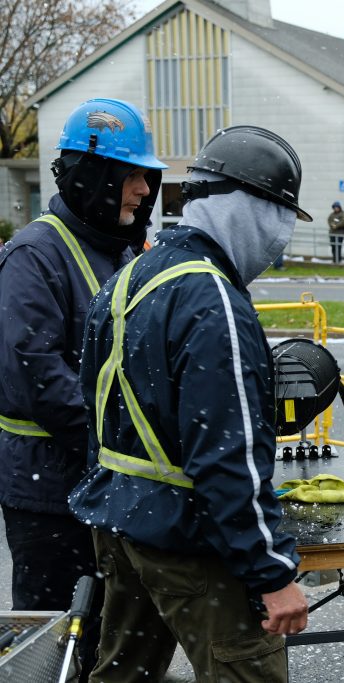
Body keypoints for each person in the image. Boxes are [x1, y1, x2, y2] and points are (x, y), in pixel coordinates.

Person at [68, 125, 311, 682]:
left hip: (122, 528)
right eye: (281, 218)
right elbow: (227, 455)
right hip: (189, 539)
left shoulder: (129, 278)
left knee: (122, 675)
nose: (280, 239)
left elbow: (98, 415)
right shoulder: (212, 298)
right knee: (247, 672)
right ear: (250, 209)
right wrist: (271, 572)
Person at [0, 97, 166, 680]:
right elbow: (38, 377)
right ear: (90, 175)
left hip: (105, 484)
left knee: (107, 641)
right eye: (131, 176)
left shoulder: (123, 249)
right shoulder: (34, 255)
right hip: (48, 494)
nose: (143, 190)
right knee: (53, 648)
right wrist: (120, 448)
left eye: (147, 177)